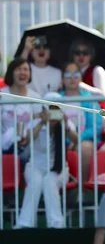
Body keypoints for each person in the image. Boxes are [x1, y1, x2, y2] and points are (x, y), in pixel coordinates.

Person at [15, 93, 78, 228]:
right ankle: (25, 224)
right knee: (36, 182)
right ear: (44, 110)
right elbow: (26, 140)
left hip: (59, 167)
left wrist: (65, 126)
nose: (53, 114)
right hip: (35, 166)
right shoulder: (35, 123)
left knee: (49, 181)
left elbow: (76, 140)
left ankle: (56, 224)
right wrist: (42, 122)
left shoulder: (66, 123)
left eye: (56, 109)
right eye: (50, 109)